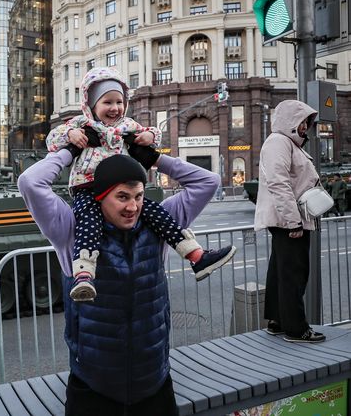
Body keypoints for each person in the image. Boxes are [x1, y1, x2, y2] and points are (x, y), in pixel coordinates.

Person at [19, 140, 224, 416]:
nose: (133, 207)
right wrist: (69, 153)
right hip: (93, 388)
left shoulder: (159, 225)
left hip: (154, 384)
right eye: (123, 197)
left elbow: (209, 182)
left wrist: (155, 159)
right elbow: (30, 182)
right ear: (101, 196)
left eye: (138, 196)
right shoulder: (70, 232)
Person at [46, 67, 234, 301]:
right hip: (88, 187)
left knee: (157, 214)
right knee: (88, 221)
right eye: (107, 102)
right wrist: (72, 137)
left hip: (124, 186)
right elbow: (53, 138)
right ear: (91, 105)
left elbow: (153, 131)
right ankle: (84, 275)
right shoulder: (81, 124)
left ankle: (196, 256)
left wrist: (149, 139)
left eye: (119, 101)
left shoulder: (127, 125)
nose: (115, 108)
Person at [255, 100, 326, 343]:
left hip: (289, 219)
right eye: (303, 121)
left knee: (281, 272)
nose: (306, 126)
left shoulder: (286, 143)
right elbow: (278, 183)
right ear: (290, 120)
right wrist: (293, 222)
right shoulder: (279, 142)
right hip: (290, 221)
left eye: (307, 122)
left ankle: (277, 321)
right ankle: (296, 329)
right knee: (294, 274)